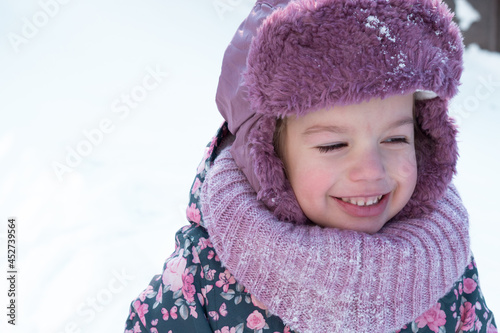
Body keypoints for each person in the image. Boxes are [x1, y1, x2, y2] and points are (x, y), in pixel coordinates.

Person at [124, 0, 497, 332]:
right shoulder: (207, 277)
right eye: (333, 144)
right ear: (268, 157)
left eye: (396, 139)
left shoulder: (441, 260)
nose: (371, 171)